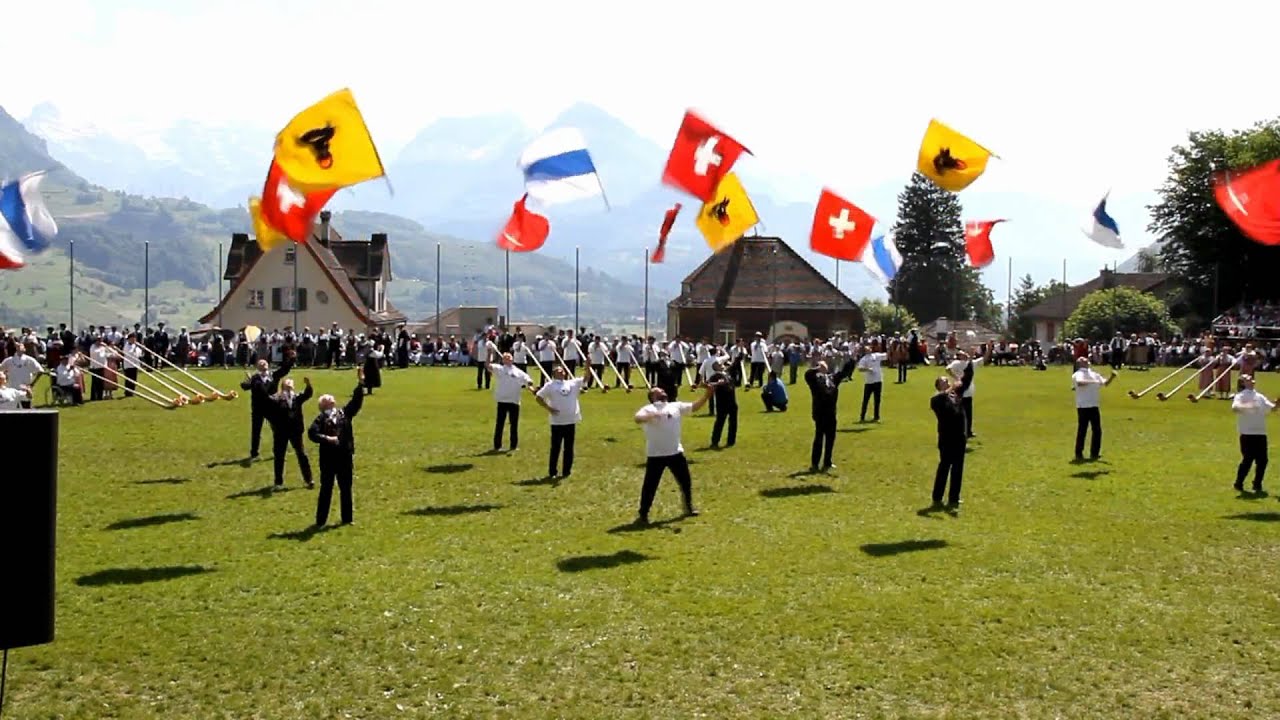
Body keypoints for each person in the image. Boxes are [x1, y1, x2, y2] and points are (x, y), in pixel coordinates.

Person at [633, 384, 712, 524]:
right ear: (652, 397)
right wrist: (652, 415)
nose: (663, 391)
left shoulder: (675, 406)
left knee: (685, 482)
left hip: (675, 452)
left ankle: (688, 507)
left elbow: (695, 407)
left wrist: (707, 394)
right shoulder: (648, 408)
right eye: (658, 391)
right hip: (656, 454)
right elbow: (637, 418)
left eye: (663, 390)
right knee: (650, 486)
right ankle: (643, 514)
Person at [308, 368, 366, 527]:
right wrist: (327, 438)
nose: (331, 397)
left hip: (344, 456)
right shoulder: (320, 418)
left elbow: (356, 402)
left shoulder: (343, 414)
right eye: (327, 397)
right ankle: (320, 521)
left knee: (346, 487)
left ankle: (347, 518)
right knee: (326, 489)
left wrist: (360, 384)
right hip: (328, 458)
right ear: (323, 405)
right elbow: (311, 433)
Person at [930, 359, 975, 511]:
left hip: (959, 437)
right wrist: (952, 388)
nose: (947, 381)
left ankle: (954, 498)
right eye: (944, 381)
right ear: (938, 386)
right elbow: (942, 398)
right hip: (946, 439)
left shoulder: (956, 394)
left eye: (947, 380)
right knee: (944, 466)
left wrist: (969, 363)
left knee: (958, 468)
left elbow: (966, 379)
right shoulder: (936, 399)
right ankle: (937, 497)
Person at [804, 357, 856, 472]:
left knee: (830, 438)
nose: (823, 366)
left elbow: (844, 372)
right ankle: (815, 463)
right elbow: (807, 374)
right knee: (819, 438)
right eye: (820, 365)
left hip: (831, 413)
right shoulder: (814, 380)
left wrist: (852, 360)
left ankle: (828, 461)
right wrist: (817, 368)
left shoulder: (832, 378)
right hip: (820, 413)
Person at [1231, 374, 1278, 493]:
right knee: (1248, 459)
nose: (1251, 380)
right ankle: (1238, 483)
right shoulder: (1240, 396)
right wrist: (1249, 406)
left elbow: (1271, 408)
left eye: (1251, 378)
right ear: (1242, 383)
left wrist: (1277, 404)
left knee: (1263, 460)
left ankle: (1257, 484)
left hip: (1260, 432)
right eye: (1247, 379)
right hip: (1247, 433)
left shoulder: (1260, 396)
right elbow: (1235, 408)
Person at [535, 364, 584, 479]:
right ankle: (552, 472)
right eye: (559, 371)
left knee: (569, 447)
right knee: (555, 447)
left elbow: (586, 378)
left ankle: (566, 471)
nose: (562, 372)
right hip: (557, 421)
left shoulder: (572, 383)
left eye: (563, 371)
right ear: (555, 374)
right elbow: (538, 397)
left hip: (570, 420)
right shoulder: (550, 385)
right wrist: (548, 408)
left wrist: (587, 365)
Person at [266, 376, 314, 490]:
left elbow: (307, 394)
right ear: (282, 385)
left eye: (291, 383)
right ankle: (278, 482)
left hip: (295, 431)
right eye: (287, 382)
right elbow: (268, 410)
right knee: (279, 456)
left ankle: (309, 479)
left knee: (302, 454)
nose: (290, 384)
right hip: (280, 431)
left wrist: (308, 385)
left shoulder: (297, 397)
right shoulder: (276, 398)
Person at [241, 357, 291, 459]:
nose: (263, 364)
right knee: (256, 431)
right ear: (257, 367)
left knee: (277, 429)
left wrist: (291, 359)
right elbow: (244, 386)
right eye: (261, 363)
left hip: (272, 408)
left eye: (265, 363)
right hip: (258, 409)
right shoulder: (255, 378)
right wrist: (248, 382)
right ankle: (254, 453)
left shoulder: (273, 375)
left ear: (268, 365)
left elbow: (284, 370)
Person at [1071, 357, 1116, 461]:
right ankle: (1079, 453)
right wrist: (1094, 382)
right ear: (1079, 364)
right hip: (1083, 405)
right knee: (1082, 430)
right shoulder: (1078, 374)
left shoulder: (1094, 374)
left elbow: (1105, 383)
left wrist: (1112, 377)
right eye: (1082, 360)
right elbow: (1080, 383)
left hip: (1094, 404)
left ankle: (1094, 453)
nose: (1085, 359)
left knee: (1097, 430)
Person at [488, 349, 534, 452]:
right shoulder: (499, 369)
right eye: (505, 357)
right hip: (502, 401)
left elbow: (527, 380)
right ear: (503, 360)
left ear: (512, 359)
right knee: (500, 424)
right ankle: (497, 446)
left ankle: (513, 446)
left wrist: (530, 384)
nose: (508, 359)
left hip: (514, 401)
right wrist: (489, 353)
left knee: (514, 424)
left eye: (509, 357)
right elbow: (488, 366)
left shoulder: (518, 371)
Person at [947, 346, 990, 438]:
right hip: (960, 392)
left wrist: (989, 349)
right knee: (959, 414)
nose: (965, 354)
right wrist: (957, 378)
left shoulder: (971, 363)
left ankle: (968, 431)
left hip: (968, 392)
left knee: (968, 414)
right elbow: (948, 369)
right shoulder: (956, 363)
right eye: (963, 353)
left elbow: (984, 359)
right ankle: (959, 431)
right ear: (959, 356)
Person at [0, 344, 42, 409]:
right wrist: (4, 379)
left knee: (26, 409)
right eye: (17, 346)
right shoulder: (9, 360)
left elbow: (40, 371)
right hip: (11, 390)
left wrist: (32, 384)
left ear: (24, 349)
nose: (19, 347)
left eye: (21, 346)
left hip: (24, 389)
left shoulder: (29, 360)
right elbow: (1, 370)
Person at [706, 361, 737, 448]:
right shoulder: (715, 376)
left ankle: (731, 441)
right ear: (716, 367)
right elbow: (706, 384)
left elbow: (735, 363)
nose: (722, 365)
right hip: (722, 403)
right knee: (720, 422)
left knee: (733, 422)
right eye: (719, 365)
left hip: (732, 401)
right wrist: (717, 383)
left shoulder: (727, 373)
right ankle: (714, 442)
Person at [857, 342, 888, 423]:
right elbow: (860, 369)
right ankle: (862, 416)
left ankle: (876, 417)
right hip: (869, 382)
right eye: (866, 349)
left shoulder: (876, 355)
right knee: (866, 399)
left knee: (877, 400)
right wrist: (868, 369)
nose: (868, 350)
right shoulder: (863, 359)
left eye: (869, 348)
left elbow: (886, 355)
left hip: (878, 380)